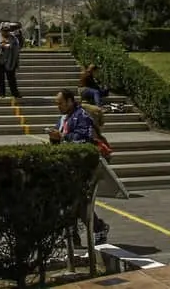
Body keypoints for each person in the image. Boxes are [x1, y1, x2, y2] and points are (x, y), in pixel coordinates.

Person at [48, 89, 110, 243]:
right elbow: (60, 139)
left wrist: (61, 137)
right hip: (67, 166)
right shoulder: (63, 118)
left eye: (60, 103)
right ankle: (73, 235)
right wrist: (54, 138)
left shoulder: (81, 116)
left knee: (79, 201)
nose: (58, 106)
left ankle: (97, 227)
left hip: (82, 166)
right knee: (70, 201)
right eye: (57, 104)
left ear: (70, 101)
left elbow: (83, 140)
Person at [0, 22, 22, 98]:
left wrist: (16, 61)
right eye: (4, 30)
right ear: (1, 30)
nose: (5, 32)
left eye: (7, 30)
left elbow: (17, 50)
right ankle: (2, 93)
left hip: (10, 61)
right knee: (0, 77)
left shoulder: (13, 38)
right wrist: (1, 45)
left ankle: (15, 93)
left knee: (11, 78)